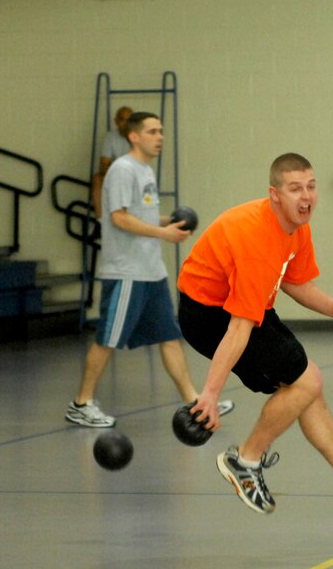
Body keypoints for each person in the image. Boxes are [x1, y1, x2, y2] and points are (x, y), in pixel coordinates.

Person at [176, 152, 333, 515]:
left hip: (238, 306)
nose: (306, 197)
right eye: (295, 189)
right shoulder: (255, 239)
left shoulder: (295, 226)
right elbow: (239, 327)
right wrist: (209, 394)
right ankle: (246, 461)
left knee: (306, 384)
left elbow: (294, 280)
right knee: (305, 382)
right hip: (209, 315)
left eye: (311, 187)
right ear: (274, 194)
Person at [65, 111, 234, 428]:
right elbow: (118, 218)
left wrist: (166, 222)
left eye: (161, 131)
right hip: (127, 272)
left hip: (151, 271)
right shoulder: (122, 169)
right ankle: (81, 403)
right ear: (134, 136)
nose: (160, 137)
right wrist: (164, 234)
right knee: (108, 338)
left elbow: (139, 214)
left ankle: (195, 402)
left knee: (169, 337)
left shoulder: (144, 171)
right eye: (153, 131)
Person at [91, 106, 133, 217]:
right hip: (115, 174)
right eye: (122, 119)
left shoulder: (138, 136)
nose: (125, 124)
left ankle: (126, 221)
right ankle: (100, 222)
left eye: (129, 120)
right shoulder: (111, 137)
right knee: (97, 179)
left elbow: (138, 164)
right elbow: (103, 165)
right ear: (116, 121)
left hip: (133, 175)